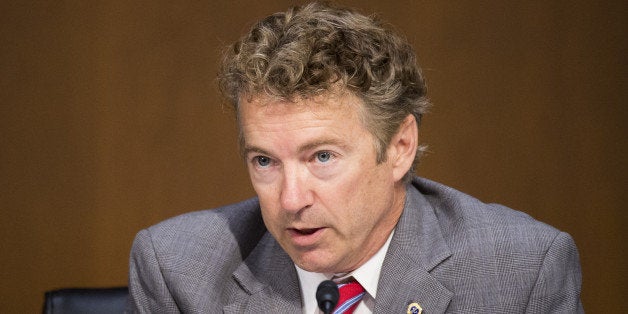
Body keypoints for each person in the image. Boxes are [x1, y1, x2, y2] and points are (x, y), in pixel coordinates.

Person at [127, 2, 583, 313]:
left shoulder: (520, 274)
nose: (290, 200)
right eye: (264, 161)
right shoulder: (179, 270)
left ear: (400, 146)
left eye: (322, 156)